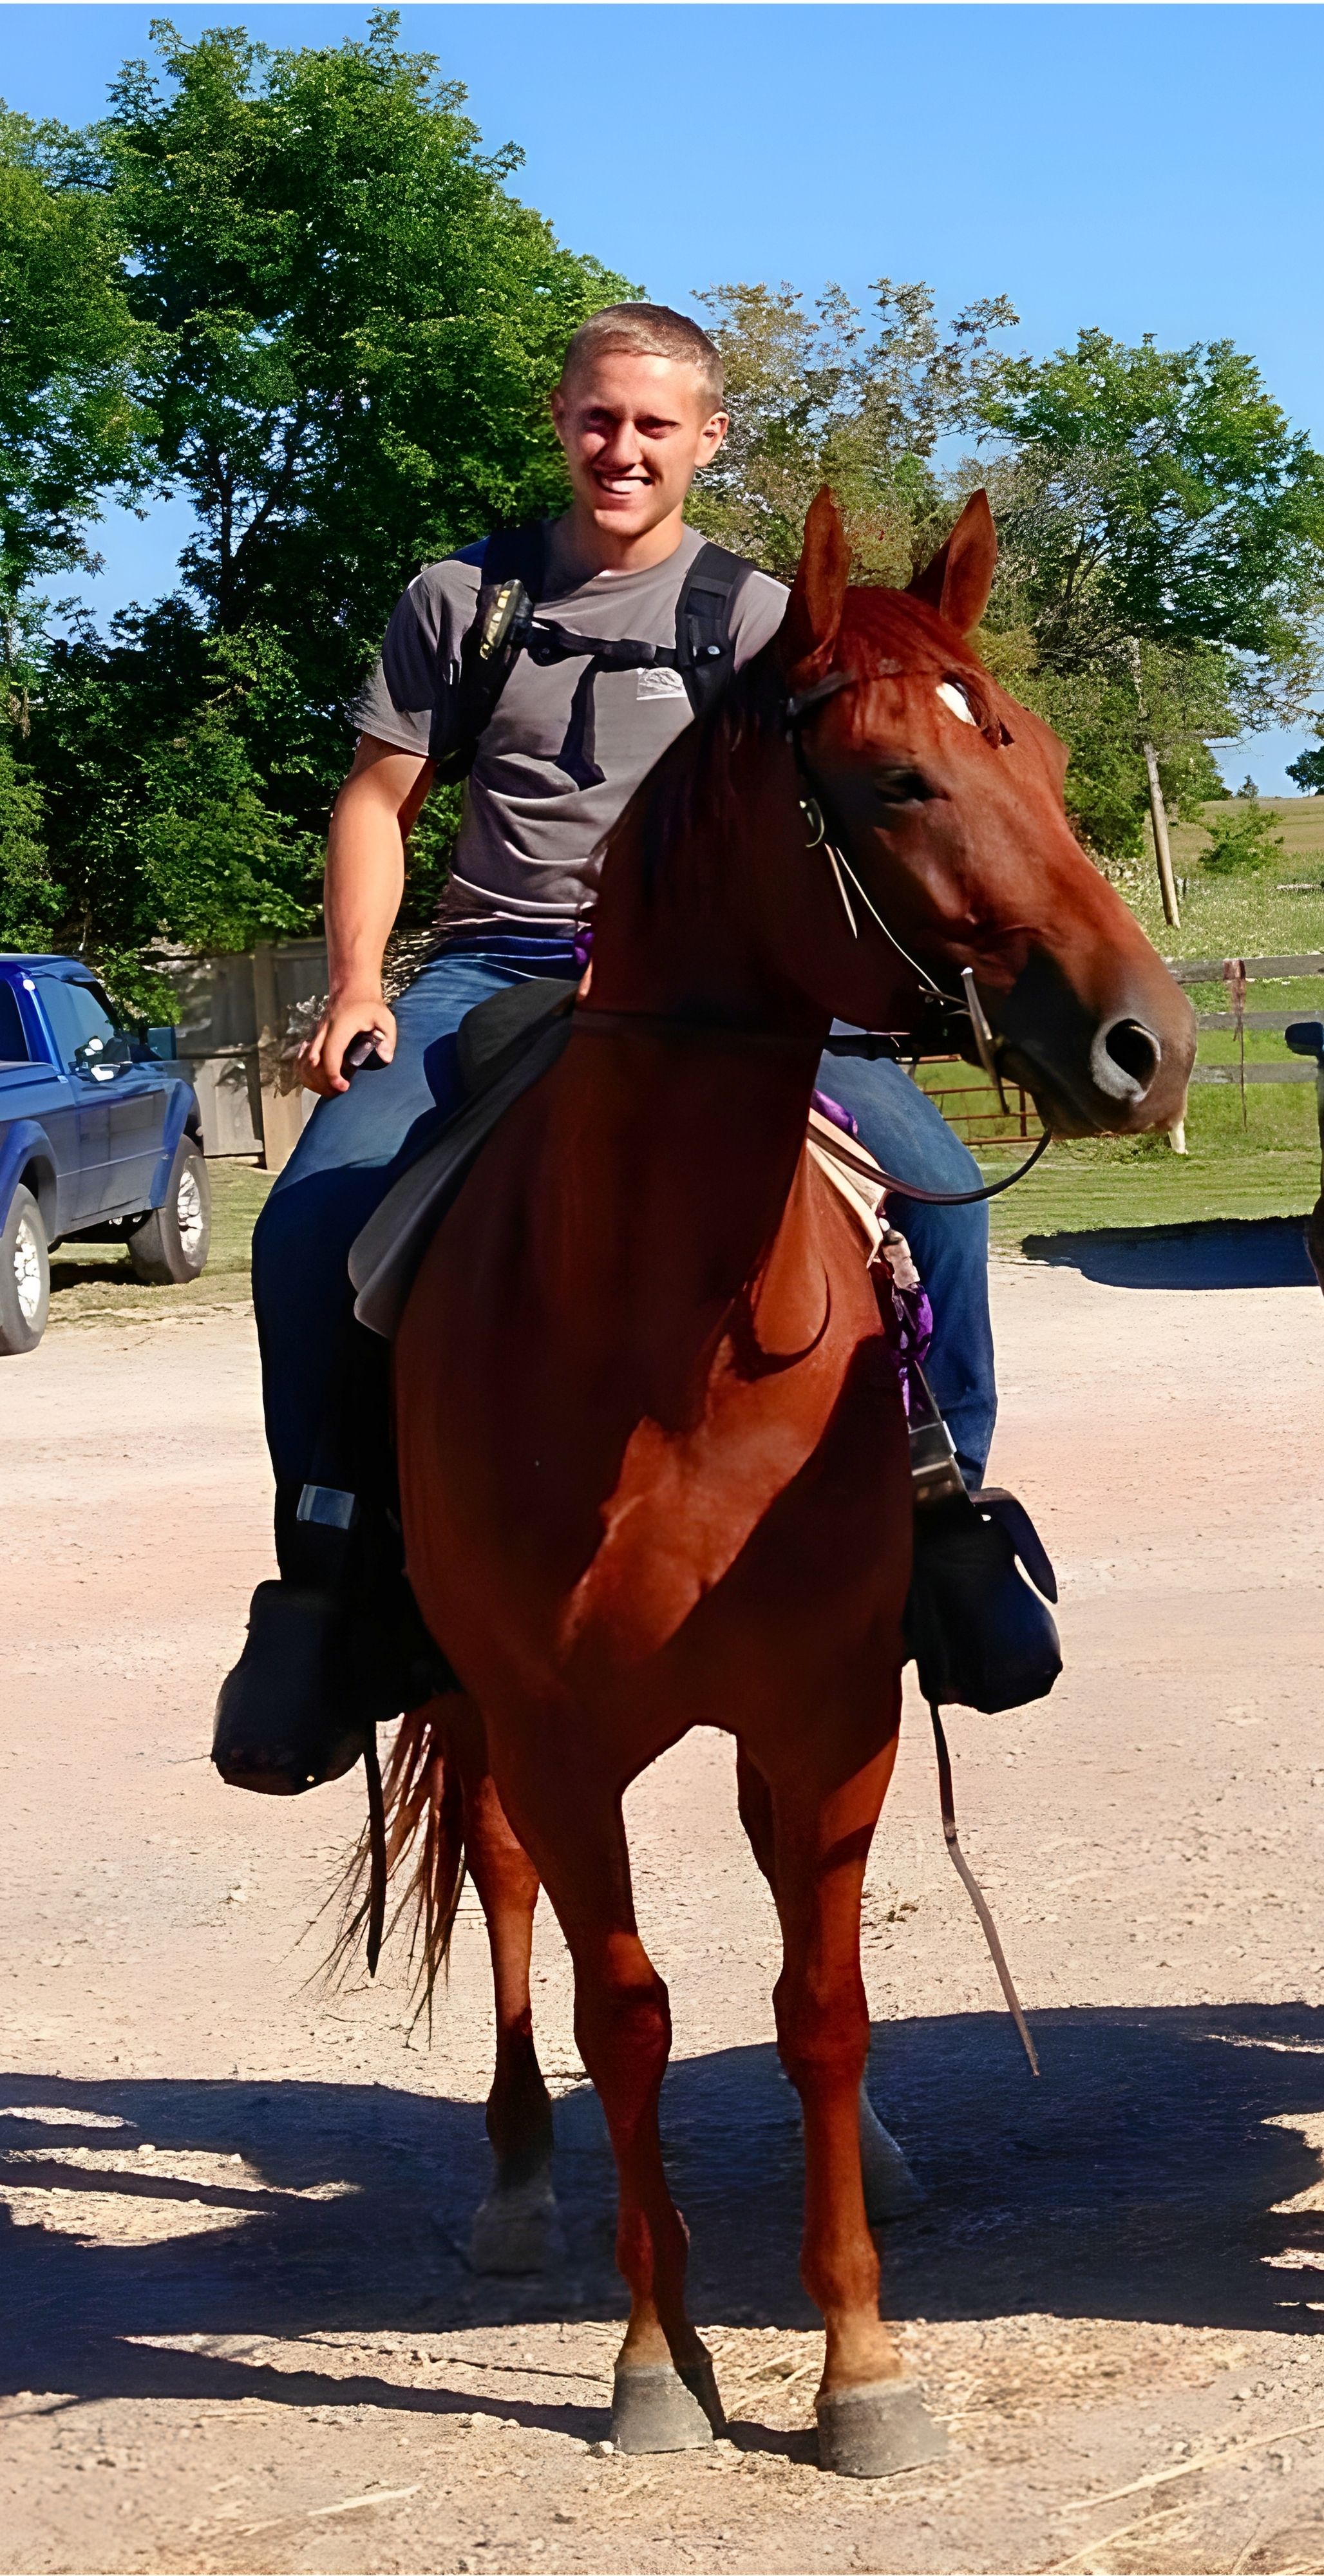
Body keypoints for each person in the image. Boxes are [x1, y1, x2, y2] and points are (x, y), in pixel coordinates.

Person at [218, 303, 996, 1794]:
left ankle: (942, 1528)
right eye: (597, 417)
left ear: (707, 439)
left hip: (723, 989)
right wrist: (359, 981)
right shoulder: (463, 598)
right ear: (559, 418)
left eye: (654, 425)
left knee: (940, 1198)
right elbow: (378, 799)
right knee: (308, 1227)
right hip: (497, 963)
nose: (620, 448)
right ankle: (324, 1583)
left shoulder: (769, 618)